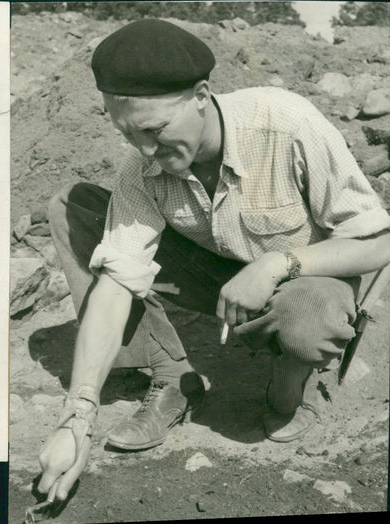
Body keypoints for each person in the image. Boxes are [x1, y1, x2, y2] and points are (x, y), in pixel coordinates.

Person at [36, 18, 390, 503]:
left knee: (309, 318)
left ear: (201, 95)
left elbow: (377, 242)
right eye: (126, 133)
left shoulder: (287, 124)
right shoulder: (143, 166)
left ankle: (288, 385)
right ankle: (172, 376)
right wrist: (77, 418)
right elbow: (118, 280)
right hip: (217, 274)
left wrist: (274, 266)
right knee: (74, 206)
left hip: (304, 277)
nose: (144, 149)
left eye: (155, 129)